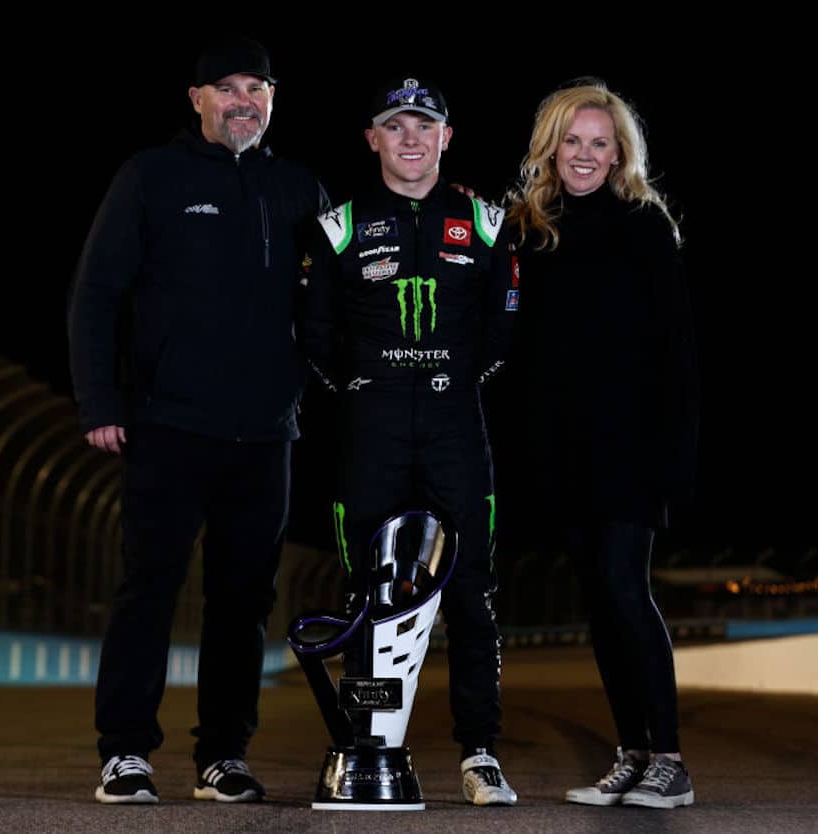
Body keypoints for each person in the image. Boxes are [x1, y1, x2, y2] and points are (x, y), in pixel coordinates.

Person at [67, 36, 327, 805]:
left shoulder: (300, 187)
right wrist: (100, 402)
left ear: (273, 99)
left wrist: (309, 388)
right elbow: (95, 295)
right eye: (228, 87)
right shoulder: (151, 176)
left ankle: (223, 754)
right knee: (149, 586)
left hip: (264, 434)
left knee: (244, 599)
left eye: (259, 87)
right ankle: (124, 753)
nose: (244, 99)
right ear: (197, 99)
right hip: (167, 424)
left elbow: (326, 308)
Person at [299, 76, 518, 806]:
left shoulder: (486, 222)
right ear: (374, 138)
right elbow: (316, 333)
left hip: (457, 426)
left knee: (472, 595)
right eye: (396, 126)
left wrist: (448, 380)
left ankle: (480, 753)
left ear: (447, 138)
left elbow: (502, 329)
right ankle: (370, 749)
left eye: (425, 125)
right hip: (373, 430)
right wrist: (366, 388)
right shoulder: (339, 225)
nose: (412, 137)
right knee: (373, 590)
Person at [505, 78, 700, 809]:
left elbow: (677, 353)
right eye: (572, 141)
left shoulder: (644, 224)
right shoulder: (530, 226)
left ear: (620, 152)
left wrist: (675, 458)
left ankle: (670, 761)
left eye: (599, 143)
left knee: (625, 588)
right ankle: (633, 751)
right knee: (599, 598)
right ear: (551, 147)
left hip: (633, 445)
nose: (585, 155)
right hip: (566, 449)